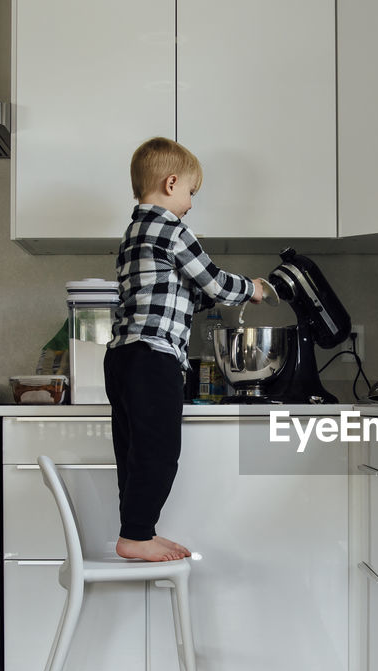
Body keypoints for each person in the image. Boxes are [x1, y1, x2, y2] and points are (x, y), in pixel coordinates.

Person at [104, 136, 269, 562]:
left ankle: (137, 530)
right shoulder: (171, 228)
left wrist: (215, 296)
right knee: (159, 450)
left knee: (133, 451)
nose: (191, 204)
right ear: (171, 183)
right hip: (153, 356)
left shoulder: (133, 233)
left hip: (122, 355)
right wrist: (250, 289)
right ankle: (136, 536)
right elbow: (213, 280)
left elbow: (186, 295)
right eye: (191, 193)